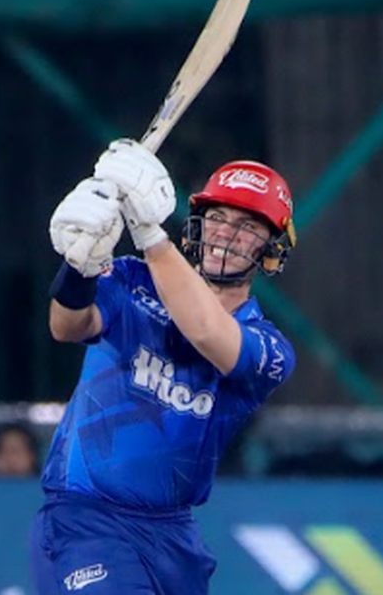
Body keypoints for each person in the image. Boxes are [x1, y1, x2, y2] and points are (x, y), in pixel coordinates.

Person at [31, 139, 297, 594]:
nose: (226, 234)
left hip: (174, 537)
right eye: (218, 217)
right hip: (88, 517)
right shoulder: (132, 278)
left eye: (248, 226)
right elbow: (67, 325)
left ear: (270, 250)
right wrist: (78, 265)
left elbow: (207, 331)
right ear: (197, 224)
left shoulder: (270, 350)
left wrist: (150, 233)